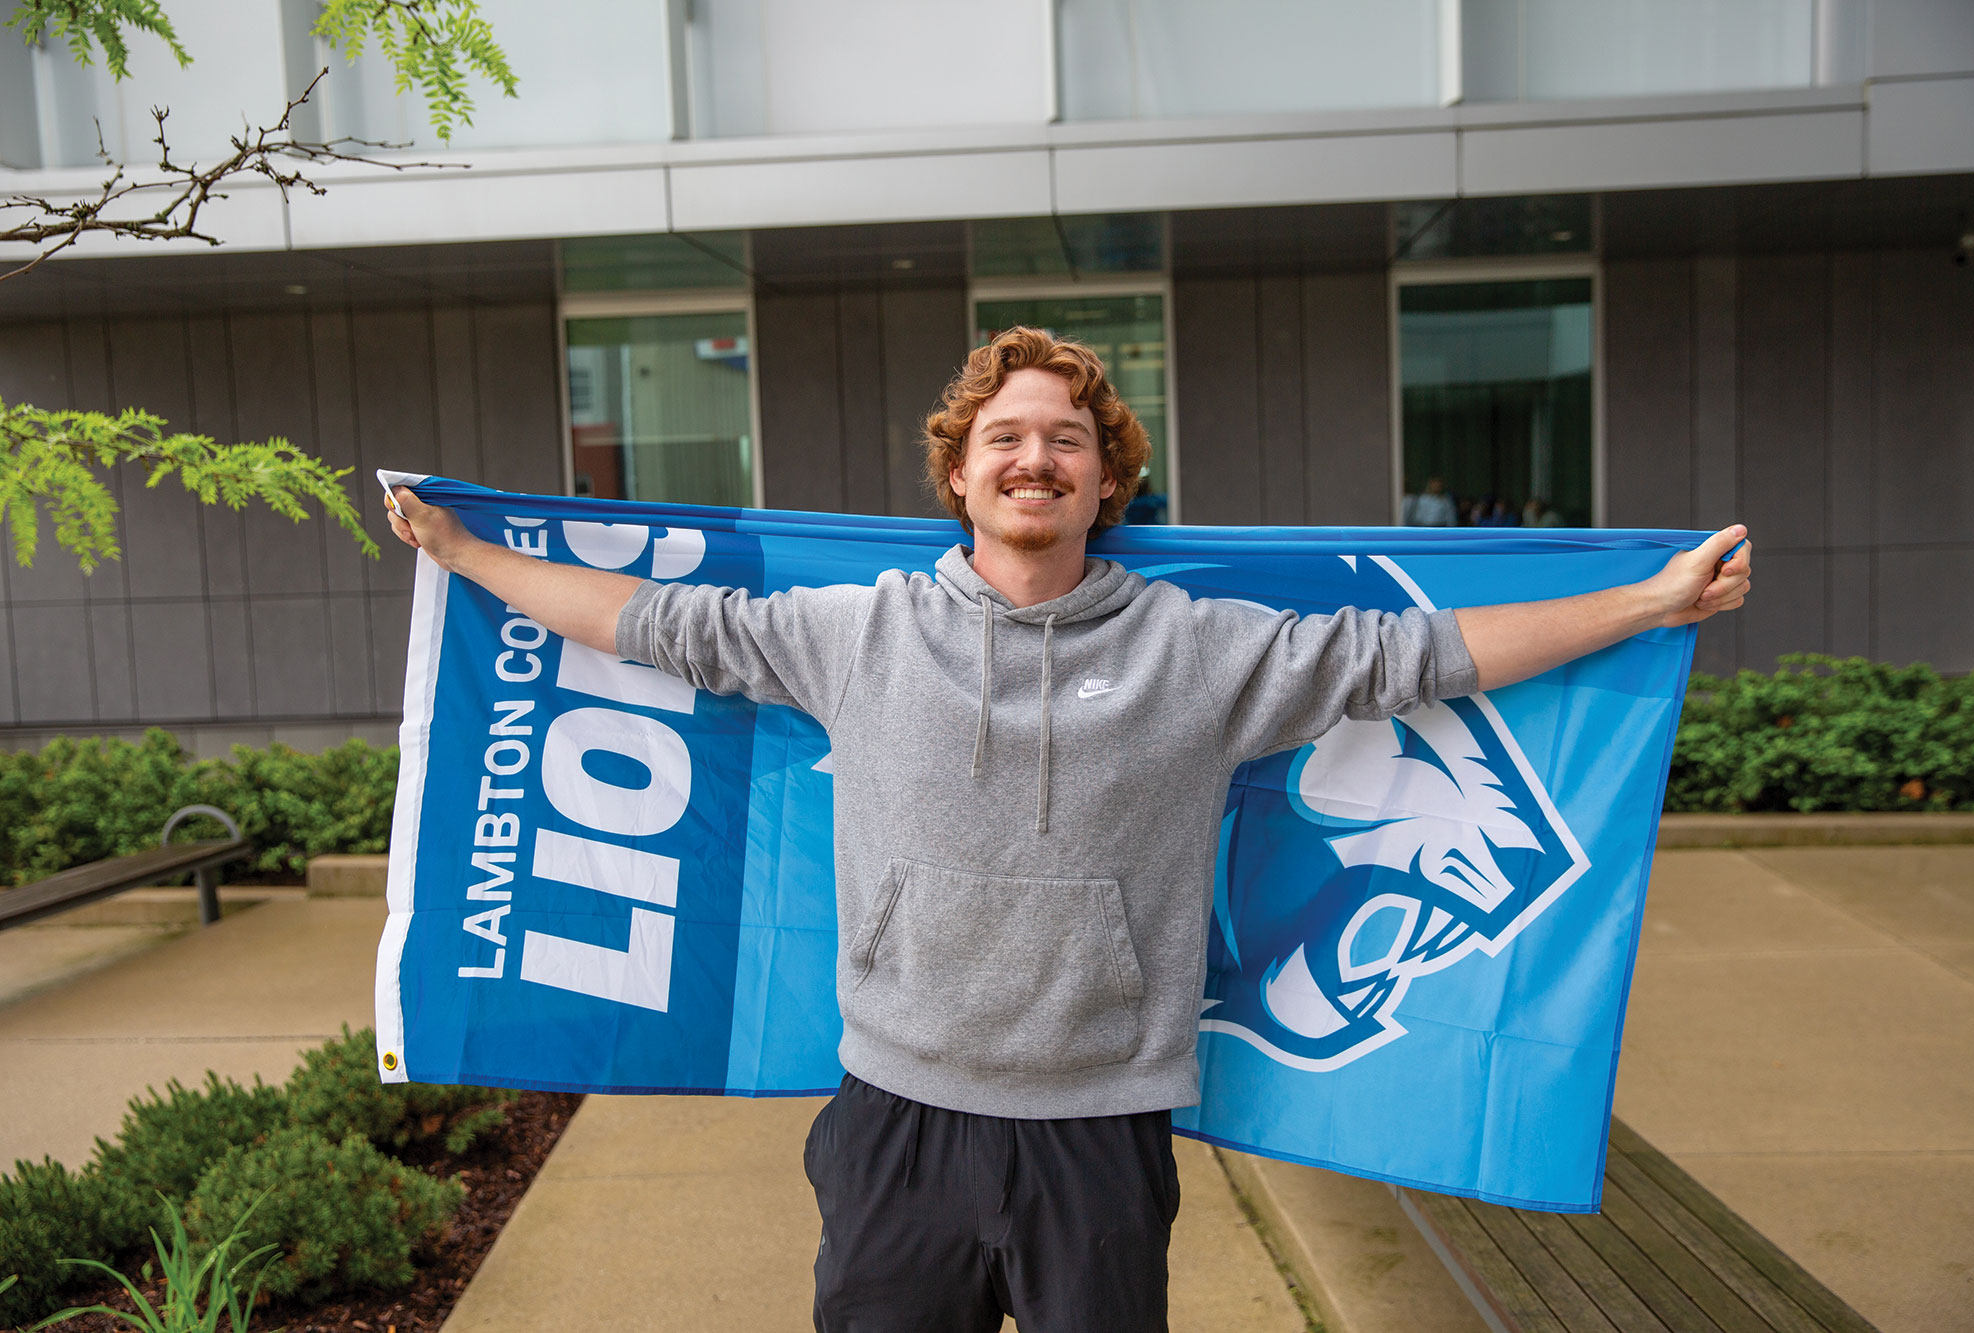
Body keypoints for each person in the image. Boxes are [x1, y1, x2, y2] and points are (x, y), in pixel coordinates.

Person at [385, 327, 1751, 1333]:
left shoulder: (1202, 648)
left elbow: (1424, 656)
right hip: (896, 1118)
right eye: (1005, 438)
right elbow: (650, 623)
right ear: (962, 477)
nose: (1034, 457)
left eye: (1067, 441)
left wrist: (1647, 605)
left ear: (1106, 484)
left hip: (1098, 1132)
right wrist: (463, 554)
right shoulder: (855, 632)